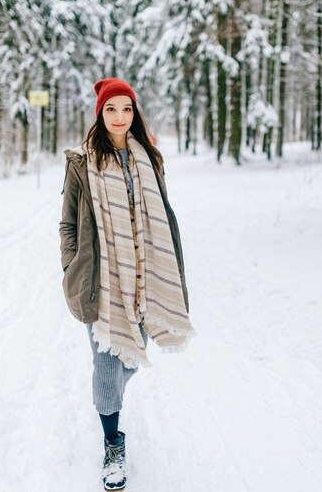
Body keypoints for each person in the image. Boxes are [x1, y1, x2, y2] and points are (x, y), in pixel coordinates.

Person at [59, 78, 194, 491]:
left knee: (130, 357)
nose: (119, 117)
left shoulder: (149, 159)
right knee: (106, 366)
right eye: (111, 109)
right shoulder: (82, 162)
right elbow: (67, 224)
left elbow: (162, 215)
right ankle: (112, 443)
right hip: (101, 282)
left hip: (144, 277)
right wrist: (73, 265)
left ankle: (111, 399)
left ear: (134, 113)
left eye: (126, 109)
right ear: (100, 114)